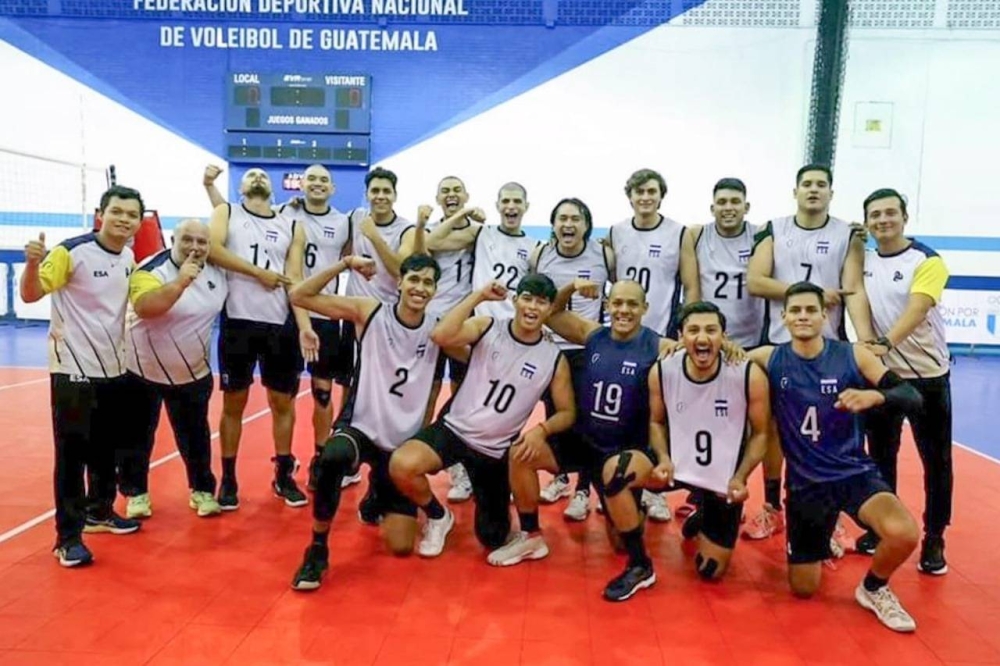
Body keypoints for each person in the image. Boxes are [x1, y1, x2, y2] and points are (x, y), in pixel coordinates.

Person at [749, 282, 922, 632]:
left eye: (810, 310)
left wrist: (875, 398)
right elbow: (725, 356)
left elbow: (911, 395)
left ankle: (874, 588)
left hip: (852, 473)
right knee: (803, 589)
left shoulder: (853, 355)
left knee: (903, 533)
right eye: (795, 310)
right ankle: (826, 529)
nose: (802, 316)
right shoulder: (770, 357)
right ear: (784, 317)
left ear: (824, 314)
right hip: (805, 486)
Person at [288, 252, 468, 590]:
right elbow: (299, 296)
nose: (420, 287)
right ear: (400, 282)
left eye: (428, 282)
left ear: (435, 290)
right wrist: (343, 265)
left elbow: (471, 365)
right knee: (333, 458)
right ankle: (317, 549)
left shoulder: (439, 331)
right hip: (362, 427)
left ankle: (377, 494)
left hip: (401, 445)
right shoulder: (368, 311)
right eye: (414, 279)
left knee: (400, 546)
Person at [485, 279, 676, 582]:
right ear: (607, 306)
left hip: (622, 451)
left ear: (644, 309)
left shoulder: (659, 346)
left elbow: (699, 350)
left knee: (619, 545)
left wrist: (729, 347)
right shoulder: (594, 335)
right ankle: (531, 535)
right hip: (585, 441)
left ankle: (631, 511)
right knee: (520, 453)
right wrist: (572, 287)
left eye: (632, 304)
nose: (623, 310)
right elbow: (553, 311)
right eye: (617, 303)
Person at [389, 275, 575, 558]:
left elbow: (567, 412)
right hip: (454, 430)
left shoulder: (553, 358)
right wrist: (479, 297)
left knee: (493, 538)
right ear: (515, 300)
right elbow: (440, 336)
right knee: (402, 465)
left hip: (494, 450)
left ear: (550, 309)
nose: (532, 307)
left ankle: (507, 523)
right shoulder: (487, 326)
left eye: (541, 302)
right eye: (527, 298)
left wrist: (542, 430)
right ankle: (438, 516)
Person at [744, 164, 875, 541]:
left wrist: (864, 339)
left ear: (831, 193)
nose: (814, 190)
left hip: (828, 346)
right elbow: (755, 280)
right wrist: (808, 296)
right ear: (795, 191)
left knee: (833, 429)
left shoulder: (847, 234)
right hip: (779, 345)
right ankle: (772, 506)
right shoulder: (775, 228)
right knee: (771, 430)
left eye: (821, 185)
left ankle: (830, 511)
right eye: (807, 184)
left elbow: (853, 289)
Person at [20, 185, 145, 567]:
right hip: (73, 367)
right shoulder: (70, 252)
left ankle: (100, 512)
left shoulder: (128, 256)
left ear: (140, 222)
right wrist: (30, 264)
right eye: (117, 212)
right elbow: (30, 295)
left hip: (113, 367)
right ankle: (67, 537)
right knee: (73, 455)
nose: (124, 219)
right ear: (100, 214)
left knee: (107, 449)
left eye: (132, 214)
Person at [207, 168, 315, 510]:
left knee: (282, 404)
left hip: (279, 324)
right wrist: (258, 273)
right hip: (238, 320)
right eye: (251, 174)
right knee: (233, 404)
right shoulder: (227, 212)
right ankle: (228, 479)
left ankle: (283, 474)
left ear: (272, 188)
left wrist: (305, 325)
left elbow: (295, 278)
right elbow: (212, 250)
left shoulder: (293, 225)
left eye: (263, 175)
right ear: (240, 187)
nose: (257, 176)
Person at [857, 188, 952, 575]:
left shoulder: (927, 260)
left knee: (937, 461)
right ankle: (884, 529)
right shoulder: (863, 259)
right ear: (867, 223)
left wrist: (883, 344)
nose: (883, 220)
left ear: (905, 217)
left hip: (927, 378)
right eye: (875, 215)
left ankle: (934, 537)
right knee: (880, 457)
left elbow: (917, 308)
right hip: (884, 379)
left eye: (890, 213)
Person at [646, 301, 770, 591]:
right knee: (622, 472)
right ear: (680, 336)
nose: (702, 338)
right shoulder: (663, 370)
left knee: (710, 571)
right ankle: (631, 546)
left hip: (722, 479)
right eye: (694, 330)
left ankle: (704, 513)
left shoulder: (747, 373)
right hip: (677, 468)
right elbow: (656, 423)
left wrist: (740, 477)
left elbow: (761, 434)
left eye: (711, 330)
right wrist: (662, 457)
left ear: (724, 337)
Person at [119, 219, 228, 519]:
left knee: (195, 436)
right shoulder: (149, 269)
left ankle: (202, 490)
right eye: (187, 240)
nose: (195, 247)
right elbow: (146, 307)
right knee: (137, 436)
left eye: (202, 242)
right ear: (172, 239)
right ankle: (136, 493)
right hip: (143, 369)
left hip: (193, 372)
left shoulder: (219, 274)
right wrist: (181, 281)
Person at [533, 198, 618, 522]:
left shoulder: (604, 255)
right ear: (553, 224)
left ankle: (584, 490)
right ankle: (560, 477)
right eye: (562, 218)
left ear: (586, 224)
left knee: (586, 420)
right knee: (554, 414)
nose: (568, 224)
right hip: (549, 348)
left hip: (587, 349)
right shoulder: (541, 254)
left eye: (575, 219)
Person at [415, 177, 487, 503]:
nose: (452, 195)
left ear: (467, 194)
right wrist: (462, 218)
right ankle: (413, 458)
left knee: (461, 400)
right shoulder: (451, 229)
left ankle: (461, 468)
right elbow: (431, 243)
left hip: (462, 325)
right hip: (430, 325)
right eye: (445, 190)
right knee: (424, 399)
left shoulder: (479, 232)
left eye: (458, 190)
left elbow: (445, 240)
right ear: (438, 197)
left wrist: (463, 225)